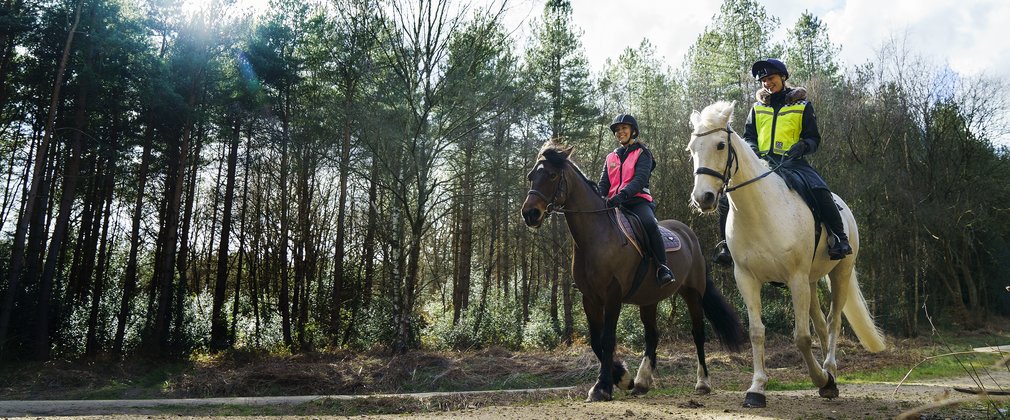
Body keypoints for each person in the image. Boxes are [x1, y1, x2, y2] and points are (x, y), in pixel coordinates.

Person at [712, 58, 852, 265]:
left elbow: (814, 138)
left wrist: (804, 146)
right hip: (761, 163)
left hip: (793, 162)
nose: (768, 84)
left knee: (819, 189)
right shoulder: (757, 109)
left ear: (783, 78)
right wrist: (753, 151)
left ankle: (839, 238)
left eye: (771, 78)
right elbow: (749, 136)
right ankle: (726, 244)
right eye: (764, 81)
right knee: (727, 197)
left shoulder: (803, 106)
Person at [598, 114, 675, 287]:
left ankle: (662, 267)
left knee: (649, 223)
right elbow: (604, 184)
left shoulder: (643, 152)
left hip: (638, 202)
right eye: (617, 130)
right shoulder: (611, 157)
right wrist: (598, 198)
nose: (620, 132)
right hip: (613, 204)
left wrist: (622, 196)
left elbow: (639, 180)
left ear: (633, 131)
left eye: (624, 128)